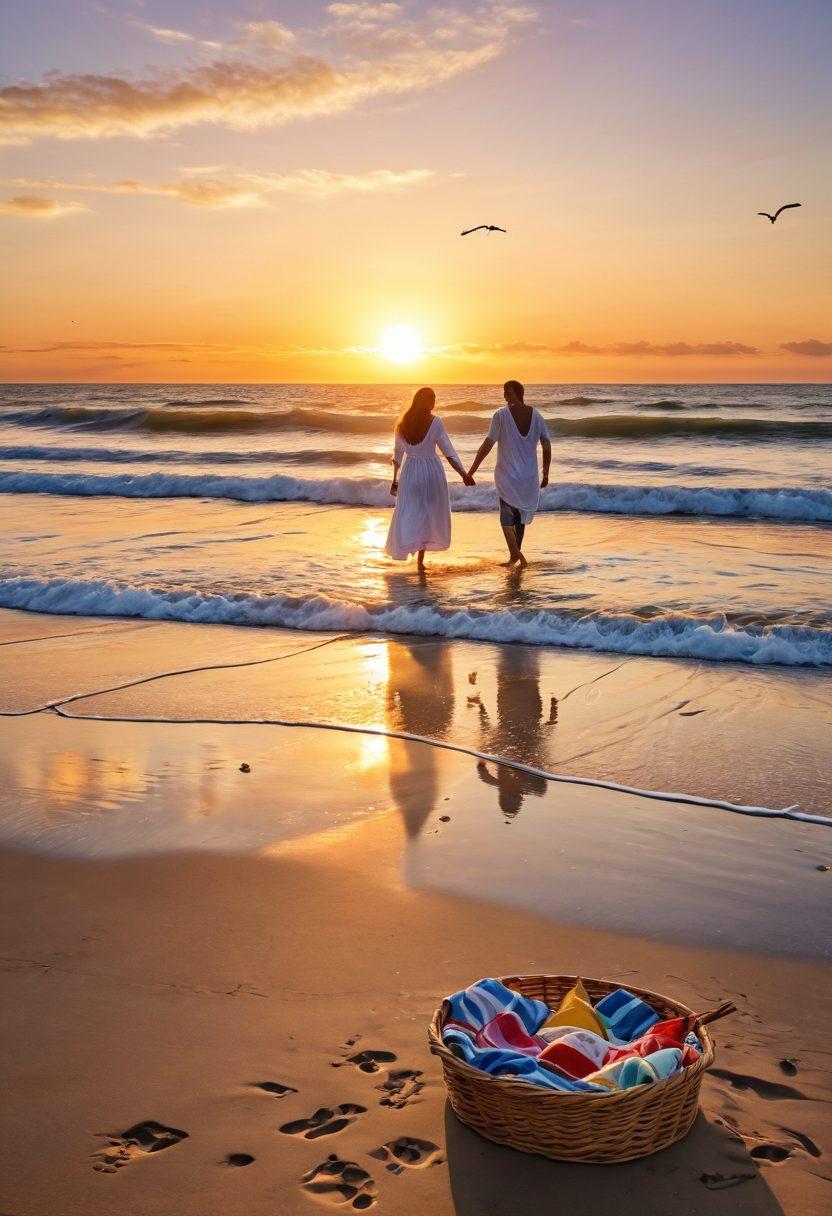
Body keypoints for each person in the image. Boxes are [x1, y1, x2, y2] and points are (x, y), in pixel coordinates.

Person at [385, 387, 473, 569]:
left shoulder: (402, 423)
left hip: (410, 471)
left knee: (410, 510)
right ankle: (420, 561)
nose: (435, 402)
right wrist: (463, 474)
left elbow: (397, 454)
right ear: (424, 401)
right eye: (432, 399)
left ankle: (412, 549)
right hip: (431, 471)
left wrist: (394, 481)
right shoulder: (436, 422)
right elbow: (449, 452)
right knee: (428, 512)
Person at [467, 380, 551, 566]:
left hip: (508, 475)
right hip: (528, 476)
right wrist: (545, 473)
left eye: (508, 392)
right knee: (519, 518)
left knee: (506, 518)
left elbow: (488, 444)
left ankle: (518, 556)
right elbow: (546, 444)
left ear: (518, 393)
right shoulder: (536, 415)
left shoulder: (501, 415)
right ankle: (515, 555)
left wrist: (471, 471)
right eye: (504, 392)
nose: (505, 395)